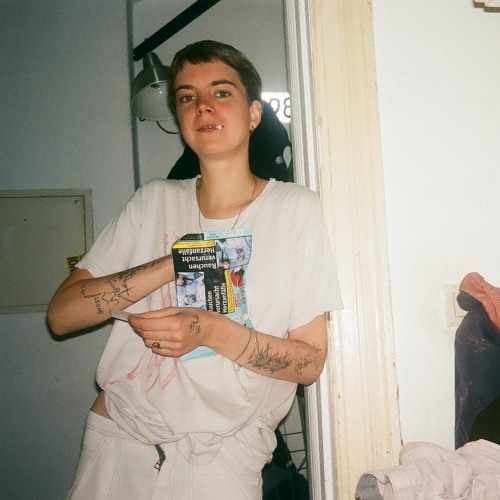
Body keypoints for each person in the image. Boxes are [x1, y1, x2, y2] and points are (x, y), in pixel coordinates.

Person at [47, 40, 342, 500]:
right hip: (120, 438)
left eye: (221, 92)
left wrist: (208, 330)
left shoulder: (295, 209)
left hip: (225, 456)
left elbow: (309, 363)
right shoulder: (152, 201)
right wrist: (176, 262)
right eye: (187, 97)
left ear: (253, 114)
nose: (203, 106)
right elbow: (62, 316)